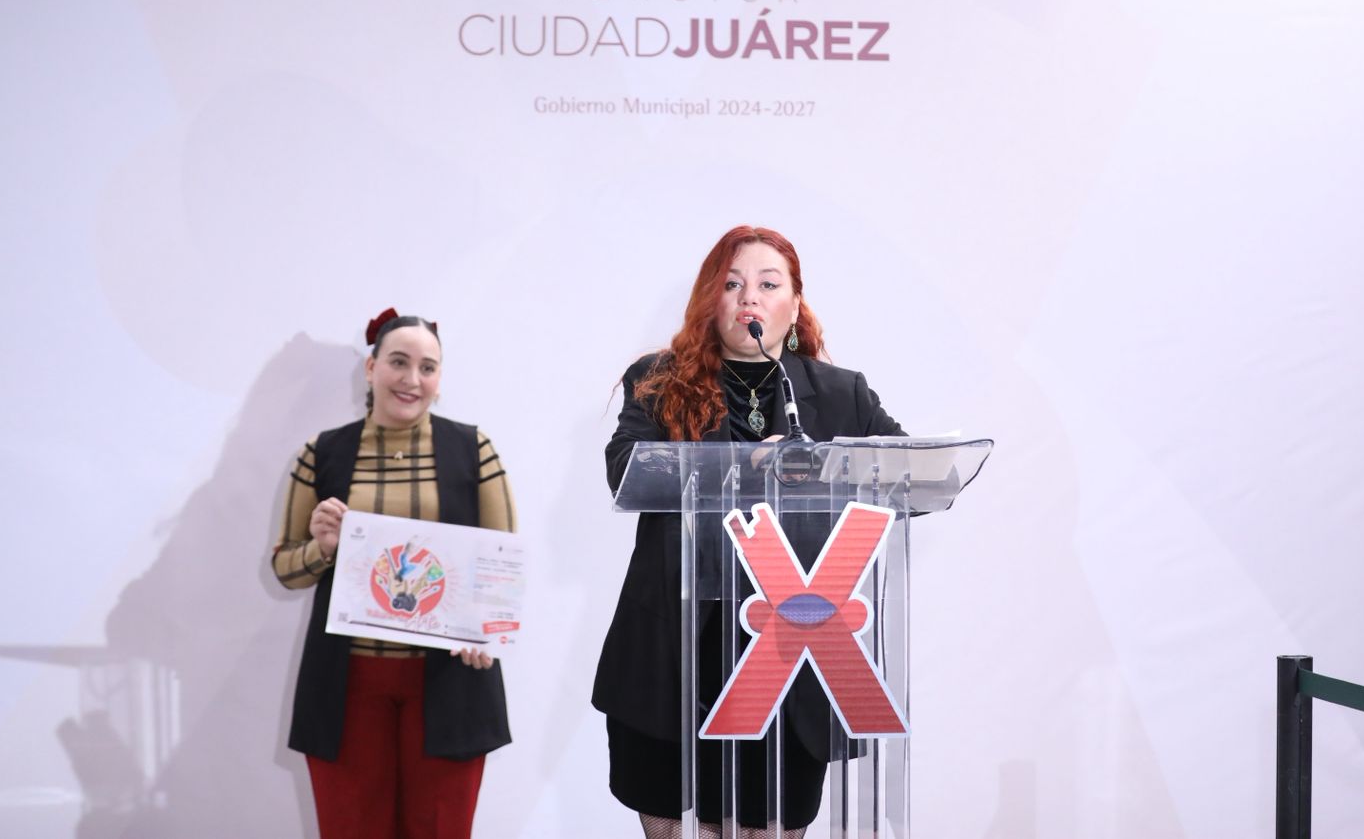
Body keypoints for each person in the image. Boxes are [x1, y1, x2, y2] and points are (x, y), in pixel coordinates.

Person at [593, 227, 905, 839]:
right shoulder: (660, 381)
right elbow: (626, 468)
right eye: (732, 284)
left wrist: (825, 466)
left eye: (768, 284)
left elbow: (906, 473)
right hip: (680, 642)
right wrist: (744, 466)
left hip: (791, 646)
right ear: (710, 299)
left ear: (794, 304)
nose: (749, 298)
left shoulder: (839, 394)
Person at [271, 309, 516, 839]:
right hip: (346, 685)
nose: (412, 379)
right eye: (399, 363)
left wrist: (487, 631)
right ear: (371, 367)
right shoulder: (321, 454)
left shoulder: (474, 450)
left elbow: (500, 565)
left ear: (439, 378)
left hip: (449, 682)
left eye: (427, 367)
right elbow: (285, 568)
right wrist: (323, 548)